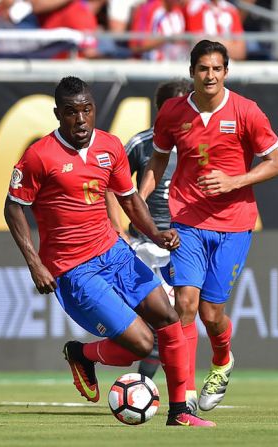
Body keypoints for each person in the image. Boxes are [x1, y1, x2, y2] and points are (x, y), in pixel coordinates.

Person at [4, 76, 215, 427]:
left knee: (169, 321)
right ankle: (82, 354)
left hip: (115, 253)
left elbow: (130, 199)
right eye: (72, 112)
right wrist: (34, 263)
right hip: (75, 270)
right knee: (143, 344)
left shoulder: (110, 146)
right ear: (58, 114)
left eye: (87, 110)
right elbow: (13, 208)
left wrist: (154, 233)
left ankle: (180, 414)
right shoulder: (39, 156)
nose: (81, 120)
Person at [140, 40, 278, 412]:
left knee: (211, 314)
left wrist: (235, 181)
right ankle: (183, 398)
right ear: (192, 73)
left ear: (226, 72)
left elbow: (276, 163)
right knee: (185, 305)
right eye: (203, 68)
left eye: (217, 69)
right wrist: (139, 200)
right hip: (186, 220)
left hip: (234, 224)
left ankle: (222, 360)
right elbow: (157, 162)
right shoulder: (172, 112)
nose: (210, 75)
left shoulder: (247, 112)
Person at [106, 79, 192, 383]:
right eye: (177, 106)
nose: (185, 112)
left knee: (174, 320)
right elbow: (110, 184)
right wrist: (118, 229)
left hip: (183, 245)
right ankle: (147, 384)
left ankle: (155, 386)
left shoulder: (198, 144)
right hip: (144, 243)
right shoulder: (142, 143)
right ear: (161, 110)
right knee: (155, 322)